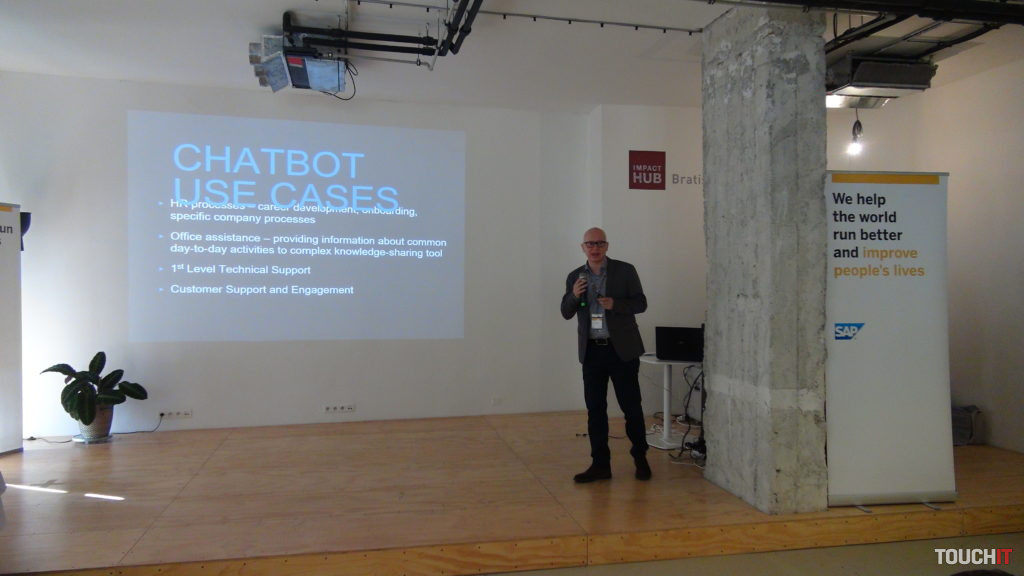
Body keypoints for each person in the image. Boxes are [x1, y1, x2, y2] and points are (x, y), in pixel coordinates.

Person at [560, 227, 651, 483]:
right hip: (592, 352)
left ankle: (640, 457)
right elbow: (566, 311)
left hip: (621, 350)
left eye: (599, 243)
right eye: (590, 244)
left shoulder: (625, 270)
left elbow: (641, 303)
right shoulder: (575, 276)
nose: (595, 248)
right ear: (583, 247)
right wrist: (574, 295)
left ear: (607, 246)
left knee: (631, 407)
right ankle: (600, 465)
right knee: (595, 410)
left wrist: (616, 304)